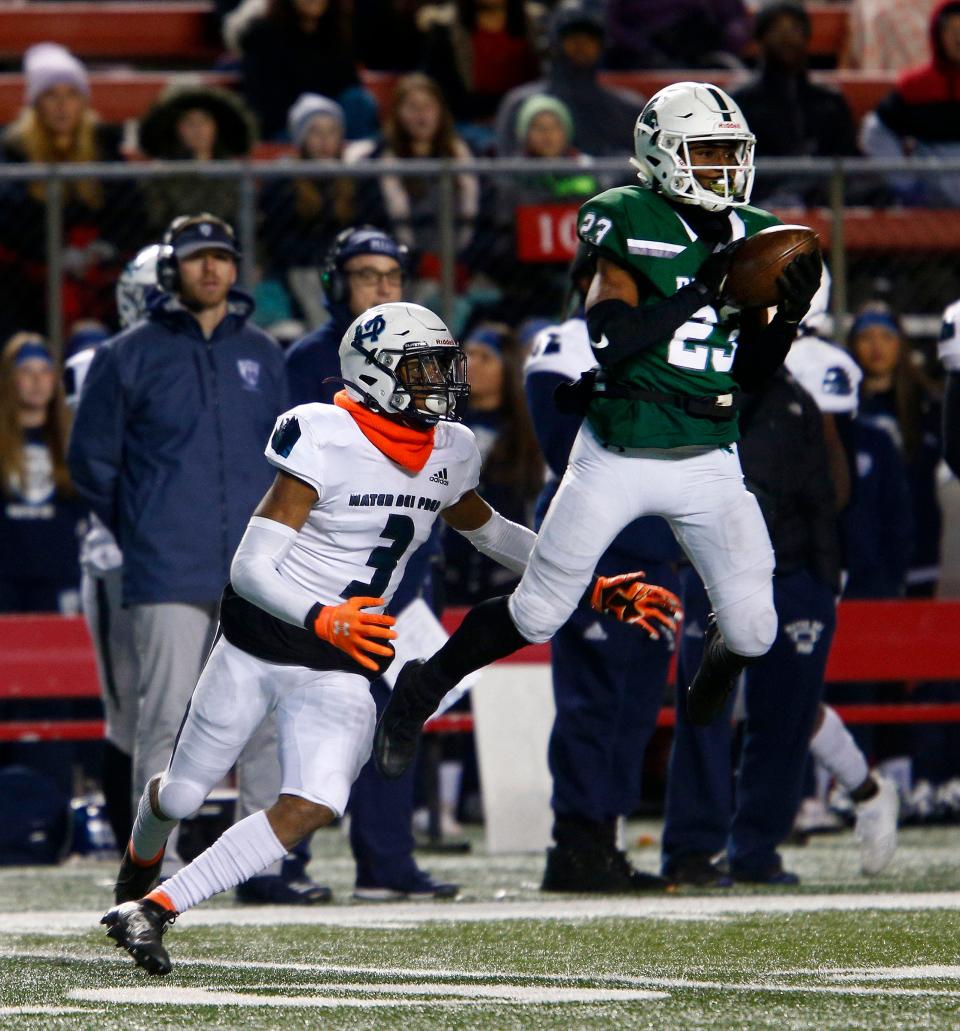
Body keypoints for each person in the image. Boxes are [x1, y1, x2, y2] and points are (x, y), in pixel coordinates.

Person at [97, 300, 675, 975]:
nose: (443, 382)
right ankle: (140, 861)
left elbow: (488, 530)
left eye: (443, 366)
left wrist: (594, 581)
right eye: (424, 368)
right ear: (373, 373)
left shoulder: (450, 449)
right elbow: (249, 568)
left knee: (316, 801)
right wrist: (324, 613)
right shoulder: (324, 433)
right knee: (183, 795)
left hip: (344, 654)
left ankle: (156, 907)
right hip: (262, 640)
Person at [372, 81, 823, 783]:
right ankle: (422, 687)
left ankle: (718, 652)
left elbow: (751, 374)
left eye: (730, 152)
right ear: (663, 151)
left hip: (708, 452)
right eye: (706, 151)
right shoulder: (626, 218)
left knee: (755, 630)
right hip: (620, 446)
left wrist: (785, 321)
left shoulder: (753, 231)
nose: (723, 168)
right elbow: (612, 341)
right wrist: (705, 289)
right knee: (540, 611)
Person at [67, 213, 328, 904]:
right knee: (167, 718)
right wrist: (147, 527)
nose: (209, 269)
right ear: (173, 268)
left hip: (258, 568)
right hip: (166, 566)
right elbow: (89, 463)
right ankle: (155, 860)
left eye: (220, 257)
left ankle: (260, 866)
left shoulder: (265, 354)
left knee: (266, 714)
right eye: (195, 258)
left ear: (236, 267)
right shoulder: (126, 354)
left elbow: (290, 460)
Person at [287, 225, 460, 899]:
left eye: (392, 274)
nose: (383, 286)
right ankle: (282, 862)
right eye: (367, 274)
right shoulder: (308, 358)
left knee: (399, 714)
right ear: (338, 284)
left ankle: (387, 862)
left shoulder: (426, 353)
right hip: (335, 574)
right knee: (313, 714)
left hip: (408, 567)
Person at [524, 246, 681, 892]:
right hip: (594, 544)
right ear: (587, 281)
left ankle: (604, 841)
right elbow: (572, 450)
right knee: (592, 700)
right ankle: (575, 843)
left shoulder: (669, 342)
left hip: (655, 541)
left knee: (635, 706)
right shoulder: (561, 344)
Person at [62, 246, 163, 848]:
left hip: (181, 559)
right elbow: (101, 460)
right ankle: (134, 847)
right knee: (127, 709)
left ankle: (162, 835)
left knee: (178, 707)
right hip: (119, 560)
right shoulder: (97, 363)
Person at [0, 43, 141, 341]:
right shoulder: (14, 152)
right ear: (36, 104)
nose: (62, 106)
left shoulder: (105, 148)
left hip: (97, 279)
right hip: (30, 283)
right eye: (51, 95)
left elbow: (130, 214)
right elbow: (10, 218)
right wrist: (54, 252)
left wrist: (102, 249)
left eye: (71, 95)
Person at [0, 332, 87, 795]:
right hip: (7, 584)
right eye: (25, 374)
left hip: (58, 584)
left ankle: (52, 798)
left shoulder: (70, 445)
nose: (35, 384)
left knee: (56, 695)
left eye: (43, 374)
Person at [345, 74, 479, 284]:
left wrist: (465, 262)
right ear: (397, 113)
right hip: (401, 273)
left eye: (428, 107)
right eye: (412, 107)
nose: (421, 115)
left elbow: (486, 215)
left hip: (463, 265)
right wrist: (417, 263)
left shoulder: (468, 155)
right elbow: (372, 226)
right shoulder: (376, 163)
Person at [848, 303, 943, 596]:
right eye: (866, 337)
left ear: (900, 344)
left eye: (886, 337)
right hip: (862, 542)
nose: (877, 346)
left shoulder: (927, 405)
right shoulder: (843, 405)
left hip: (918, 530)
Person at [259, 94, 373, 328]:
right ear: (301, 139)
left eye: (331, 131)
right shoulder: (283, 183)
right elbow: (279, 243)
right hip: (300, 272)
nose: (324, 140)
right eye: (315, 131)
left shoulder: (356, 182)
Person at [732, 1, 859, 208]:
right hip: (763, 203)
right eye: (777, 29)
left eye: (795, 29)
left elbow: (850, 163)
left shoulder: (829, 102)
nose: (787, 38)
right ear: (761, 38)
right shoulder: (740, 102)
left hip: (827, 203)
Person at [494, 0, 646, 159]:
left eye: (590, 38)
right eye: (571, 37)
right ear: (553, 43)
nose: (581, 44)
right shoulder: (520, 105)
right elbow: (506, 170)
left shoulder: (627, 109)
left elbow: (643, 169)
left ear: (603, 45)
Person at [861, 1, 960, 207]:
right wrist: (905, 184)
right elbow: (875, 133)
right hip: (932, 205)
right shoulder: (915, 87)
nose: (958, 37)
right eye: (950, 29)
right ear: (937, 35)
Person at [237, 0, 376, 141]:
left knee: (358, 100)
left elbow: (349, 85)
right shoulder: (263, 36)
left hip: (332, 126)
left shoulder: (337, 34)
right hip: (287, 129)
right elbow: (262, 103)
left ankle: (359, 155)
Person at [137, 84, 258, 237]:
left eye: (204, 121)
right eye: (189, 122)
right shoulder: (160, 176)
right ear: (176, 129)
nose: (198, 129)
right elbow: (156, 223)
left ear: (216, 127)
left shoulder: (234, 174)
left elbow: (248, 227)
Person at [417, 0, 543, 126]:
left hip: (527, 117)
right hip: (467, 120)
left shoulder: (537, 22)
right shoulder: (445, 28)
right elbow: (438, 86)